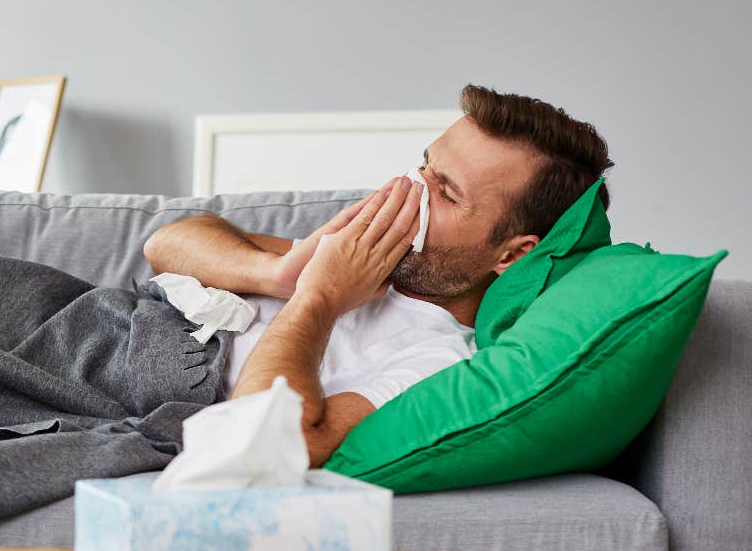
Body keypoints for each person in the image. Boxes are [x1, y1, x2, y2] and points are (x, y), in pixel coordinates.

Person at [143, 84, 614, 467]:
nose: (411, 189)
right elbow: (164, 244)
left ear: (512, 254)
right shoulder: (358, 260)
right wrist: (278, 273)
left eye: (447, 193)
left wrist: (318, 298)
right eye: (425, 165)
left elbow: (263, 441)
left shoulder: (438, 362)